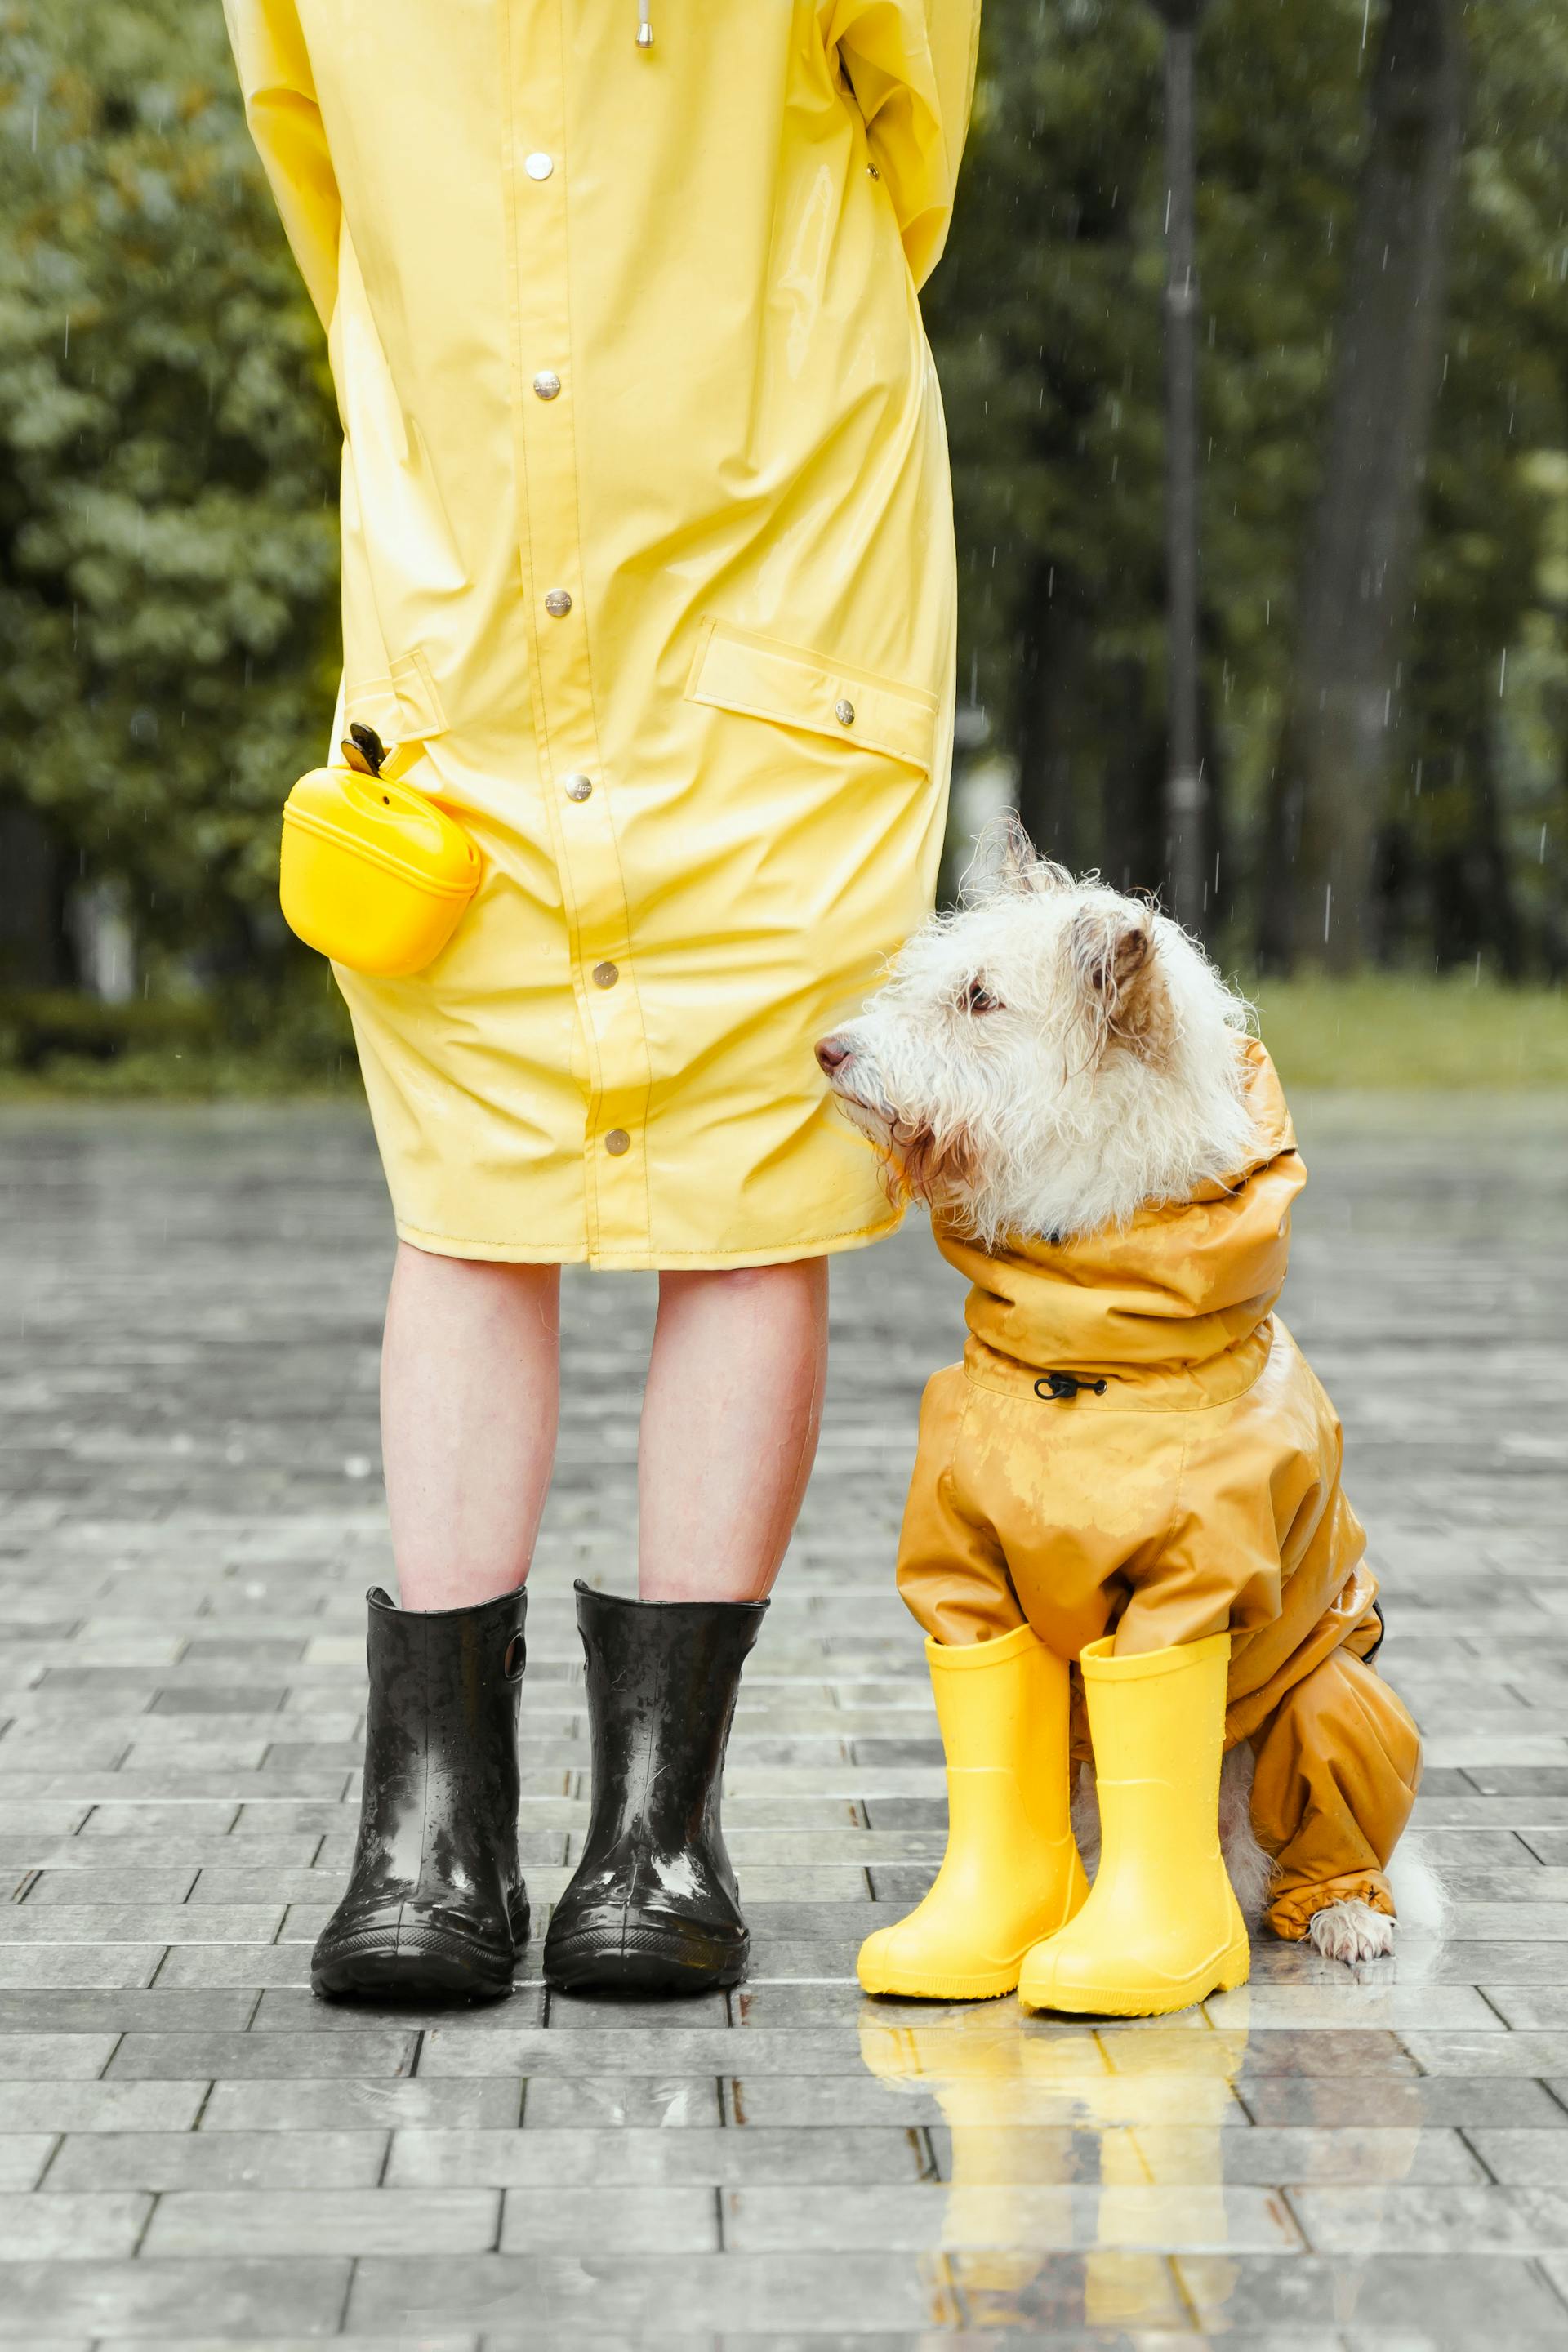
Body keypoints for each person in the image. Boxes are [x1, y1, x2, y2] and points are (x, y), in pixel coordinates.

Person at [223, 0, 980, 2000]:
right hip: (470, 586)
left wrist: (723, 371)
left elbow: (911, 137)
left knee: (753, 1167)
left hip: (785, 564)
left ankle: (660, 1825)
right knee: (468, 1170)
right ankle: (433, 1826)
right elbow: (322, 172)